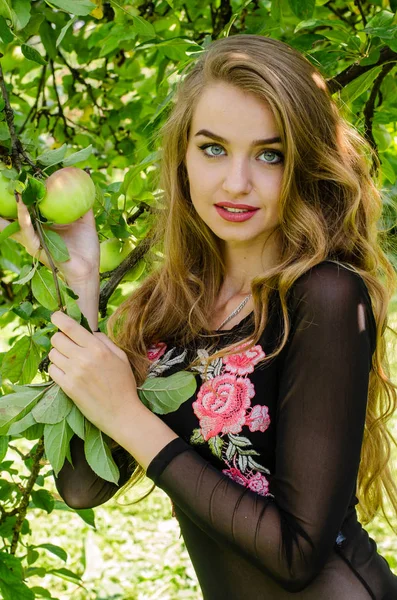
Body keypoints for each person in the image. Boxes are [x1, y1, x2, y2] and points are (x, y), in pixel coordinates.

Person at [1, 34, 397, 599]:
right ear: (182, 156)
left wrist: (131, 418)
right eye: (213, 148)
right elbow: (84, 485)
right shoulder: (172, 305)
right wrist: (81, 287)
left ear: (304, 162)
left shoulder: (326, 296)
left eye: (270, 154)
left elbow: (297, 555)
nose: (236, 182)